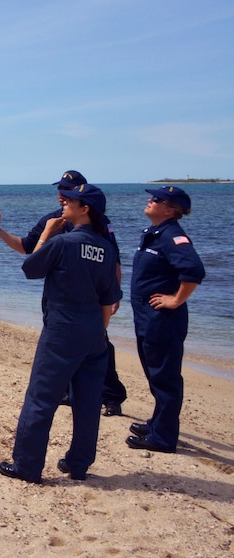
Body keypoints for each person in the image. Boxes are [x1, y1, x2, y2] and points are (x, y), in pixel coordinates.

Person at [0, 184, 122, 483]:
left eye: (73, 201)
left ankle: (26, 467)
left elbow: (30, 267)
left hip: (63, 330)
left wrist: (45, 235)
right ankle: (78, 465)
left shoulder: (63, 242)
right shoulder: (105, 248)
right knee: (88, 401)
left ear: (85, 209)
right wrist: (98, 334)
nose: (65, 203)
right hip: (94, 331)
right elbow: (109, 298)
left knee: (41, 398)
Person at [0, 170, 128, 416]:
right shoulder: (52, 221)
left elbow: (112, 259)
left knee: (100, 344)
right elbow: (26, 248)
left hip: (91, 299)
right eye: (60, 190)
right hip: (59, 301)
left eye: (68, 192)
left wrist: (114, 294)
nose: (62, 196)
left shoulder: (98, 222)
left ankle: (111, 396)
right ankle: (67, 393)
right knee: (59, 349)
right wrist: (0, 232)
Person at [126, 186, 206, 454]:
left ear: (170, 210)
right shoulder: (155, 233)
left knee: (165, 377)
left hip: (163, 319)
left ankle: (163, 438)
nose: (150, 200)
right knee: (155, 373)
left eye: (156, 199)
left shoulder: (173, 235)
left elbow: (193, 270)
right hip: (147, 316)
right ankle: (159, 423)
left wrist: (176, 299)